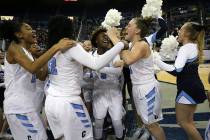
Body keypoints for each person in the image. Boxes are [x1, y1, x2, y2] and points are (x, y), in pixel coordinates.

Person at [44, 16, 127, 140]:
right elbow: (95, 64)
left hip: (51, 102)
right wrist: (120, 45)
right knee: (85, 137)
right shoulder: (70, 45)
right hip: (68, 102)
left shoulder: (52, 48)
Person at [0, 20, 74, 140]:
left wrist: (53, 56)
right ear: (19, 34)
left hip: (27, 107)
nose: (33, 30)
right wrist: (55, 47)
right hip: (19, 107)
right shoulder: (14, 48)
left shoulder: (27, 53)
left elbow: (41, 75)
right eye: (28, 28)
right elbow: (33, 68)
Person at [154, 22, 207, 140]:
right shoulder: (194, 46)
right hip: (194, 86)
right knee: (189, 122)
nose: (178, 31)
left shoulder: (185, 48)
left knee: (184, 122)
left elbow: (176, 70)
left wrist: (156, 61)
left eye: (181, 29)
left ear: (187, 33)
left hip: (187, 89)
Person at [118, 17, 166, 140]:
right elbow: (130, 62)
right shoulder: (133, 45)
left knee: (152, 125)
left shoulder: (142, 44)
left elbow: (128, 59)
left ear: (138, 30)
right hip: (138, 87)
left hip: (147, 88)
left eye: (129, 25)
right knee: (146, 121)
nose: (126, 28)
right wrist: (122, 63)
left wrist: (117, 41)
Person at [90, 27, 125, 140]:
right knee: (99, 122)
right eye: (103, 36)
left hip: (114, 92)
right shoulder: (90, 56)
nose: (106, 37)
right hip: (98, 93)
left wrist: (98, 68)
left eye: (107, 36)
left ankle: (120, 138)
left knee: (117, 121)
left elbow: (118, 72)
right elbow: (85, 77)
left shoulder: (113, 52)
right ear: (96, 40)